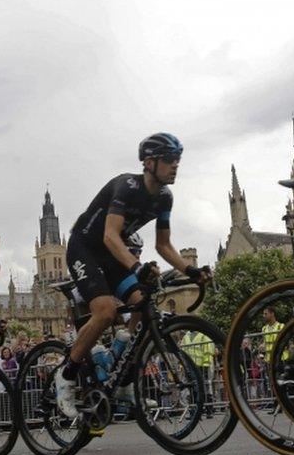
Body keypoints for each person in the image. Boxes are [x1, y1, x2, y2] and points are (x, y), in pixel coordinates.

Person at [55, 133, 213, 418]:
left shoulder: (165, 197)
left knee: (144, 302)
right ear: (149, 163)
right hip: (85, 247)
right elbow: (110, 235)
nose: (175, 165)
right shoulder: (127, 186)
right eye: (169, 160)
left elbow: (163, 245)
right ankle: (66, 377)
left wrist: (190, 270)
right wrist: (137, 267)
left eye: (177, 160)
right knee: (104, 312)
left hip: (111, 252)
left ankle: (125, 379)